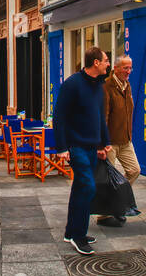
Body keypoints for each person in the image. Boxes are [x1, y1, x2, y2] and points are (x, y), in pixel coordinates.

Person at [54, 47, 112, 255]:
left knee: (80, 188)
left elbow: (99, 117)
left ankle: (72, 232)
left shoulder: (99, 85)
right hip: (75, 146)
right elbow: (59, 117)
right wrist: (61, 147)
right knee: (88, 188)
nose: (108, 64)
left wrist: (104, 143)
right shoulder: (72, 84)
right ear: (95, 63)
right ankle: (78, 237)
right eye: (106, 60)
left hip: (91, 147)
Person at [97, 54, 139, 228]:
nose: (128, 71)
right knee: (108, 179)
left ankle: (116, 200)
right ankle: (104, 214)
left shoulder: (127, 85)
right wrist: (102, 143)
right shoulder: (107, 87)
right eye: (125, 68)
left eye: (130, 68)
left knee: (134, 170)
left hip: (126, 140)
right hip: (111, 142)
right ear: (116, 68)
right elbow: (104, 117)